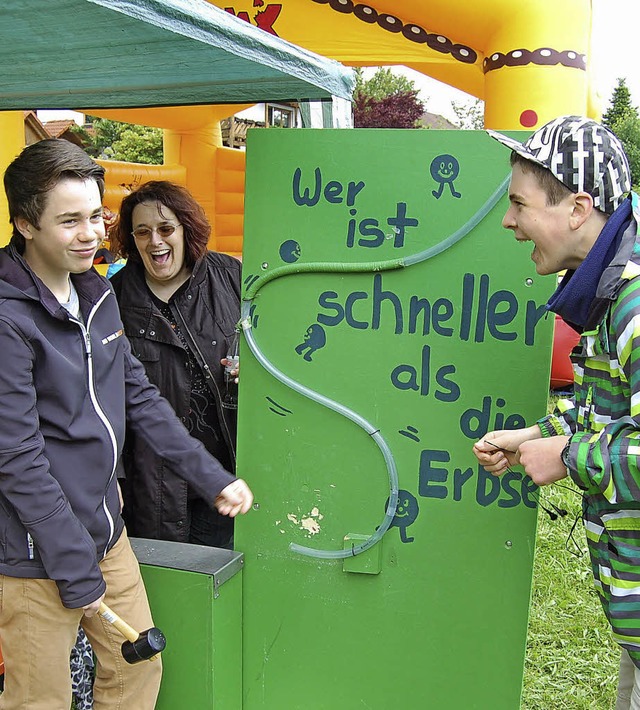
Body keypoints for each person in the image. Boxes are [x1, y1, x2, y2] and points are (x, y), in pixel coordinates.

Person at [0, 138, 253, 709]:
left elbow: (137, 395)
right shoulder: (8, 317)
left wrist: (209, 474)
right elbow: (16, 456)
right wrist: (71, 563)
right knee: (41, 698)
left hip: (105, 534)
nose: (89, 233)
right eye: (69, 221)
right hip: (33, 549)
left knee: (137, 667)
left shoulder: (95, 293)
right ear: (24, 224)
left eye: (95, 216)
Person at [472, 115, 640, 709]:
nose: (509, 221)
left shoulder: (634, 304)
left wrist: (567, 456)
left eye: (519, 203)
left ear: (577, 208)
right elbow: (611, 411)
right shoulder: (607, 285)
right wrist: (535, 435)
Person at [109, 181, 242, 548]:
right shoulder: (113, 299)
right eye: (142, 231)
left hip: (227, 473)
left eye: (166, 229)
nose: (155, 241)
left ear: (186, 228)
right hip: (150, 485)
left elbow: (275, 346)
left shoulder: (231, 277)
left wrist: (252, 372)